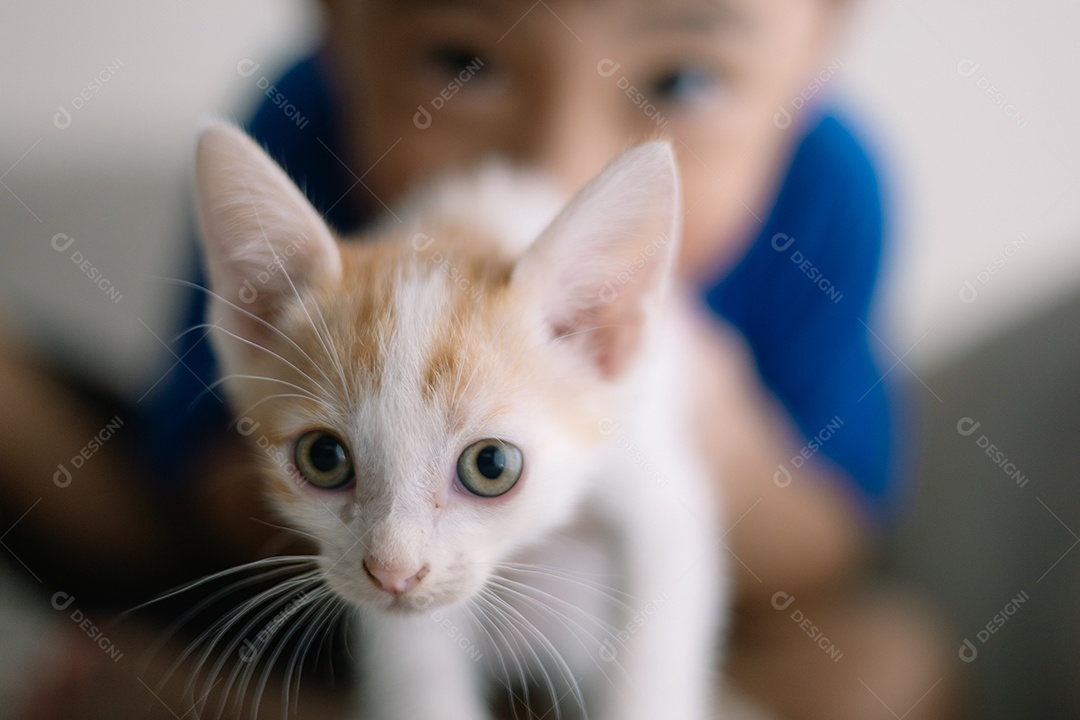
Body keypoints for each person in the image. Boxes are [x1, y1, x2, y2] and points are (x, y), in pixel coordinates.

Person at [3, 0, 970, 718]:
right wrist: (352, 461)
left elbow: (830, 548)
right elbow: (194, 492)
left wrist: (720, 439)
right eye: (464, 63)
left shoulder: (827, 186)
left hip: (671, 645)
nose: (562, 154)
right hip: (320, 625)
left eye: (679, 80)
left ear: (817, 52)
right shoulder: (297, 137)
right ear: (338, 29)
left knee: (889, 667)